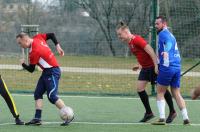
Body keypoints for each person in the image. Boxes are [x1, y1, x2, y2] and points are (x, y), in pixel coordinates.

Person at [116, 22, 177, 123]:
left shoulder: (137, 40)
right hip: (145, 68)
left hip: (152, 67)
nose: (119, 37)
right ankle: (149, 113)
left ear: (126, 32)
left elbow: (150, 51)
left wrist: (156, 66)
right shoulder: (130, 43)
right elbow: (142, 55)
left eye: (120, 34)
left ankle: (172, 111)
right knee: (140, 89)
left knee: (162, 90)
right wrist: (139, 65)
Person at [16, 32, 73, 126]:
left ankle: (69, 115)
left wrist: (23, 64)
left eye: (19, 43)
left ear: (25, 40)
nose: (20, 45)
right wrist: (57, 46)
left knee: (51, 96)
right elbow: (51, 35)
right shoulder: (38, 37)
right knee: (38, 93)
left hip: (53, 72)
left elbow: (31, 69)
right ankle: (37, 118)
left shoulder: (34, 51)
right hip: (46, 72)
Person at [153, 16, 190, 125]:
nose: (156, 26)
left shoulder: (163, 34)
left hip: (167, 67)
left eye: (157, 24)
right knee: (176, 93)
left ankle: (162, 118)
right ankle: (185, 118)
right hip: (177, 67)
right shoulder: (171, 34)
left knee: (160, 91)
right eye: (155, 24)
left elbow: (168, 44)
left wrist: (166, 51)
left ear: (164, 24)